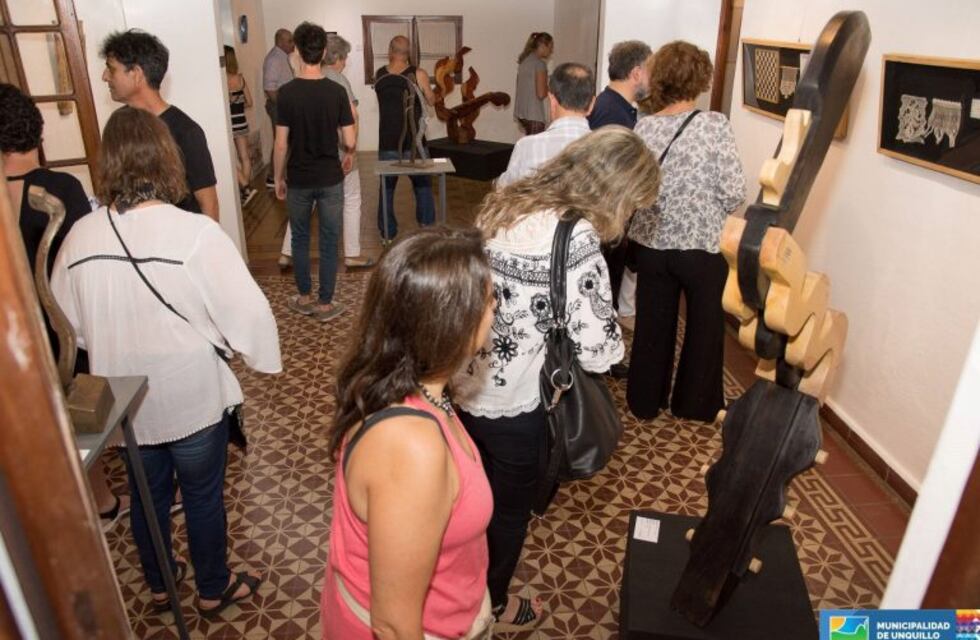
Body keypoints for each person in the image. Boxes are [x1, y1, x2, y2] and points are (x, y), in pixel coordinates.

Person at [51, 106, 281, 617]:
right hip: (190, 393)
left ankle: (159, 585)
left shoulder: (82, 236)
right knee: (202, 495)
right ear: (167, 158)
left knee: (145, 493)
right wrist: (253, 354)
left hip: (123, 398)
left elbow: (72, 325)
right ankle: (212, 587)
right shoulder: (195, 232)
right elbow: (247, 311)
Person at [453, 126, 660, 631]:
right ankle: (492, 607)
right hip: (518, 402)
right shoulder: (576, 236)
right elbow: (599, 349)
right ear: (615, 193)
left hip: (459, 384)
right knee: (506, 514)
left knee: (461, 501)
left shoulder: (506, 200)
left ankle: (454, 595)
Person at [322, 226, 495, 640]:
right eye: (489, 298)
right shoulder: (411, 446)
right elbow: (395, 625)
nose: (496, 309)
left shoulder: (410, 387)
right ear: (452, 322)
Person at [0, 82, 130, 530]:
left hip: (11, 331)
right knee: (76, 415)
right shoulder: (60, 187)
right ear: (34, 129)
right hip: (62, 327)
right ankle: (99, 498)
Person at [627, 40, 746, 422]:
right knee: (705, 328)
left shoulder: (644, 127)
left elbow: (633, 188)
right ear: (701, 80)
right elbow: (733, 191)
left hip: (652, 243)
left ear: (659, 77)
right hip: (701, 247)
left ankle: (645, 401)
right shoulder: (714, 125)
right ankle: (694, 404)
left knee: (651, 325)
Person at [274, 22, 355, 322]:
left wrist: (278, 177)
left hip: (298, 178)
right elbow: (350, 139)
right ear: (323, 52)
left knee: (300, 238)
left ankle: (304, 296)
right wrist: (348, 154)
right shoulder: (336, 91)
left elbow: (281, 144)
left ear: (296, 50)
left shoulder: (286, 93)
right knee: (330, 239)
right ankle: (325, 304)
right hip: (330, 177)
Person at [100, 29, 219, 221]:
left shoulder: (186, 131)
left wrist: (209, 246)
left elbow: (209, 203)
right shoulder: (118, 127)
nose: (104, 76)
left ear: (136, 74)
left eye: (111, 69)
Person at [589, 40, 655, 361]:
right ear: (637, 72)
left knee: (610, 286)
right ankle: (603, 358)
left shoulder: (616, 106)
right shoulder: (612, 111)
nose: (652, 80)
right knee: (605, 290)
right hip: (607, 218)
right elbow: (608, 173)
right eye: (650, 71)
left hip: (612, 217)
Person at [374, 35, 437, 243]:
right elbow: (431, 100)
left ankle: (387, 234)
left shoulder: (380, 75)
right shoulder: (418, 73)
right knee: (423, 186)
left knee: (387, 188)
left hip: (387, 140)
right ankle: (427, 229)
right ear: (408, 52)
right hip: (414, 141)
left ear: (390, 51)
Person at [496, 62, 594, 188]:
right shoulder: (608, 151)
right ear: (592, 104)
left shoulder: (527, 147)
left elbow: (503, 191)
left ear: (552, 101)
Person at [323, 34, 373, 269]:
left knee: (304, 201)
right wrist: (351, 150)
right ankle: (352, 254)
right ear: (338, 57)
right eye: (344, 58)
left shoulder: (306, 77)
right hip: (339, 151)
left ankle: (287, 252)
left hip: (311, 154)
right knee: (352, 198)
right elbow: (353, 117)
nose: (344, 63)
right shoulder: (339, 80)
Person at [225, 45, 256, 207]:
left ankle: (244, 188)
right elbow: (250, 102)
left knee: (229, 157)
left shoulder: (221, 81)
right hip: (241, 122)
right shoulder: (240, 78)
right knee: (244, 157)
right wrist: (238, 104)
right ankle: (245, 190)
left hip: (228, 125)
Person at [264, 28, 295, 193]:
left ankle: (282, 175)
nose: (292, 44)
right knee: (281, 141)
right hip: (278, 107)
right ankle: (272, 177)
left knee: (286, 141)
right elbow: (269, 87)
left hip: (283, 106)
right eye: (290, 41)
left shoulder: (283, 57)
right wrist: (282, 105)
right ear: (281, 42)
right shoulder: (274, 59)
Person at [513, 32, 553, 135]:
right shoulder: (540, 64)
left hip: (522, 114)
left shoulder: (524, 61)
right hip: (534, 115)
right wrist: (550, 87)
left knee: (528, 148)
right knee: (536, 150)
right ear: (543, 45)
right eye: (550, 47)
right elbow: (541, 94)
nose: (551, 51)